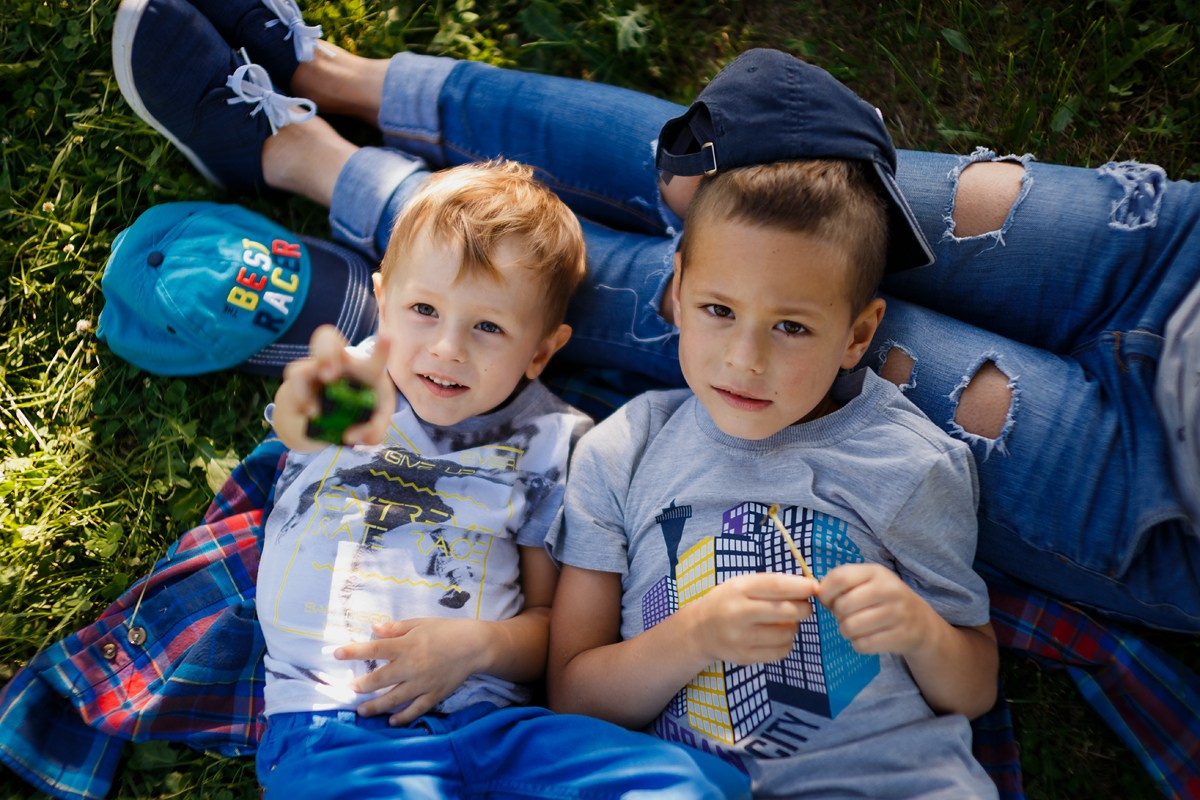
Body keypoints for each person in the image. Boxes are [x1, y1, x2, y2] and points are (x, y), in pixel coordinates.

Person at [111, 0, 1200, 637]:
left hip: (1161, 481)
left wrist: (341, 382)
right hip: (1181, 260)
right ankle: (329, 77)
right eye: (421, 314)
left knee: (759, 300)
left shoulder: (567, 446)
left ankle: (299, 158)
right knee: (759, 176)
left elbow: (552, 638)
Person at [545, 51, 998, 797]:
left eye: (791, 327)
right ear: (678, 294)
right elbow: (572, 696)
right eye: (719, 311)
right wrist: (694, 637)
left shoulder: (909, 463)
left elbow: (973, 688)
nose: (745, 361)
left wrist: (921, 631)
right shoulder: (620, 452)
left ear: (857, 336)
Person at [247, 157, 748, 797]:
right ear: (382, 303)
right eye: (423, 309)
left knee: (690, 785)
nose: (447, 348)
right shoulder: (361, 389)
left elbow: (548, 620)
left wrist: (477, 646)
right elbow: (298, 422)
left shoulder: (552, 443)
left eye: (487, 327)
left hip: (498, 728)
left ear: (540, 351)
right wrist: (322, 393)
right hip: (342, 725)